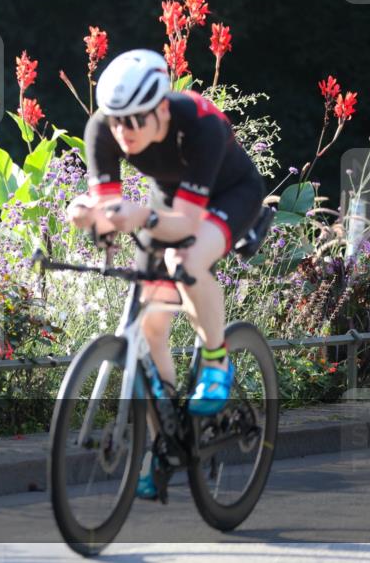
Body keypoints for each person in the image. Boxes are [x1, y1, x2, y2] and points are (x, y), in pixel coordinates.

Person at [65, 49, 266, 499]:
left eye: (134, 121)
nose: (123, 133)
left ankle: (216, 359)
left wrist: (141, 218)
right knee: (150, 326)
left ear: (160, 109)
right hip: (170, 200)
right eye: (116, 120)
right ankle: (164, 442)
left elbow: (184, 227)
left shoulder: (200, 125)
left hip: (229, 195)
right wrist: (86, 215)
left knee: (186, 260)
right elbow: (107, 210)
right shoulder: (104, 129)